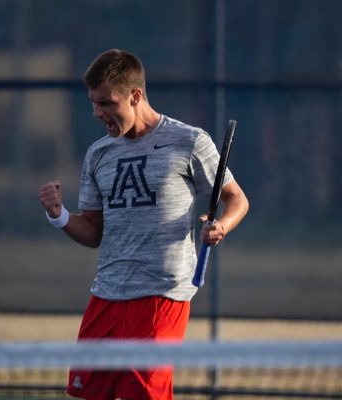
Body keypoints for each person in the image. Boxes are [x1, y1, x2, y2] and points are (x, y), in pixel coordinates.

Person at [38, 49, 249, 400]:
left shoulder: (190, 141)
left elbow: (237, 199)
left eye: (106, 103)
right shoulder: (98, 154)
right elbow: (93, 231)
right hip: (106, 294)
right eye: (93, 103)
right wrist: (58, 215)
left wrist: (221, 226)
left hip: (161, 295)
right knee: (85, 394)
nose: (97, 113)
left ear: (135, 95)